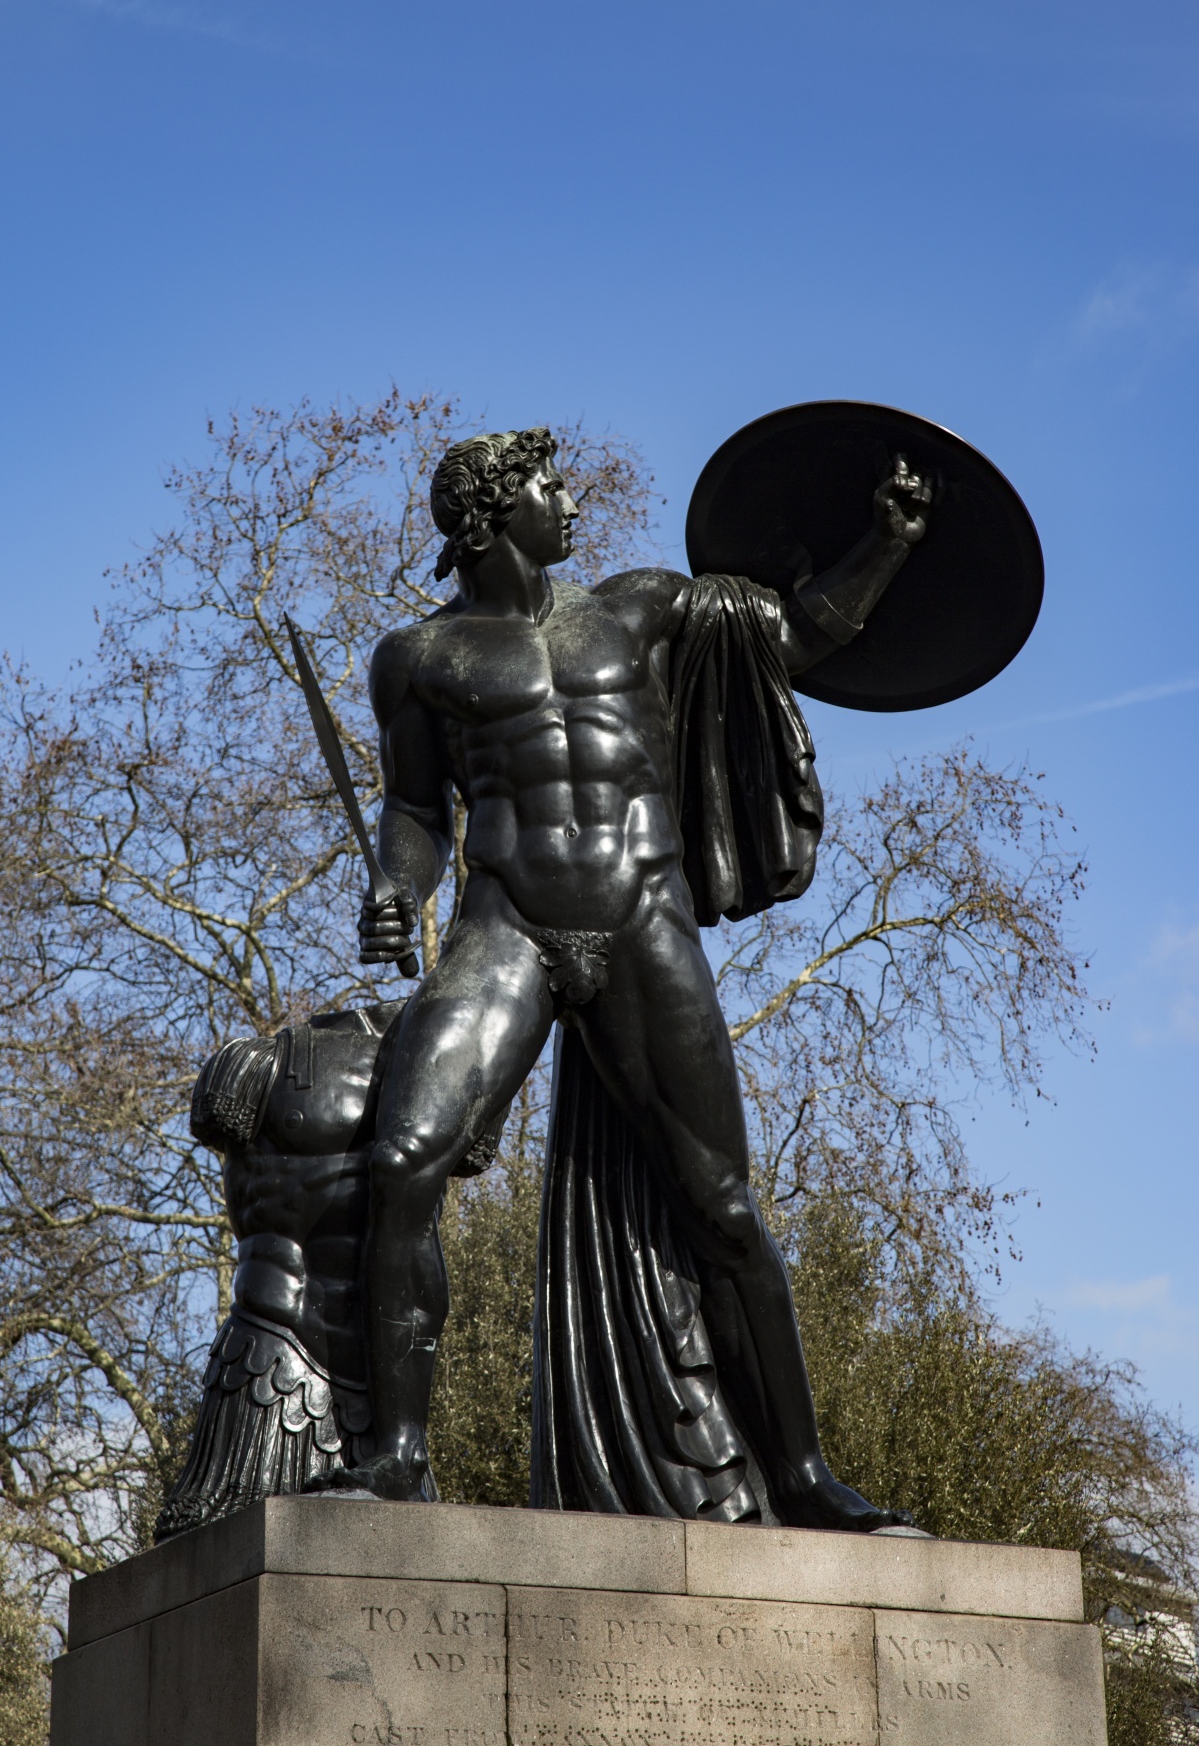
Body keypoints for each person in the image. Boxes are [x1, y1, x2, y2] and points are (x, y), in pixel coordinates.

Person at [315, 426, 929, 1523]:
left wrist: (884, 545)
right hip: (506, 926)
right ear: (493, 513)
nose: (572, 503)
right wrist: (396, 890)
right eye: (551, 486)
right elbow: (415, 810)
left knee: (721, 1206)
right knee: (403, 1160)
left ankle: (799, 1475)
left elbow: (789, 640)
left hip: (644, 920)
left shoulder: (638, 606)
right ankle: (399, 1454)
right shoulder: (417, 658)